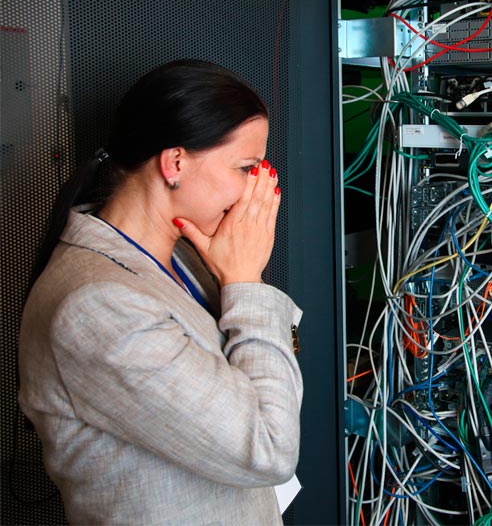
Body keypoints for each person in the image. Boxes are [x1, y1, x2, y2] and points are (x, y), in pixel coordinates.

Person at [17, 59, 302, 525]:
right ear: (175, 163)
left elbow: (267, 388)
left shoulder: (188, 257)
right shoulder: (97, 307)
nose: (257, 188)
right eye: (246, 167)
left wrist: (240, 280)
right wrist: (246, 285)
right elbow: (268, 448)